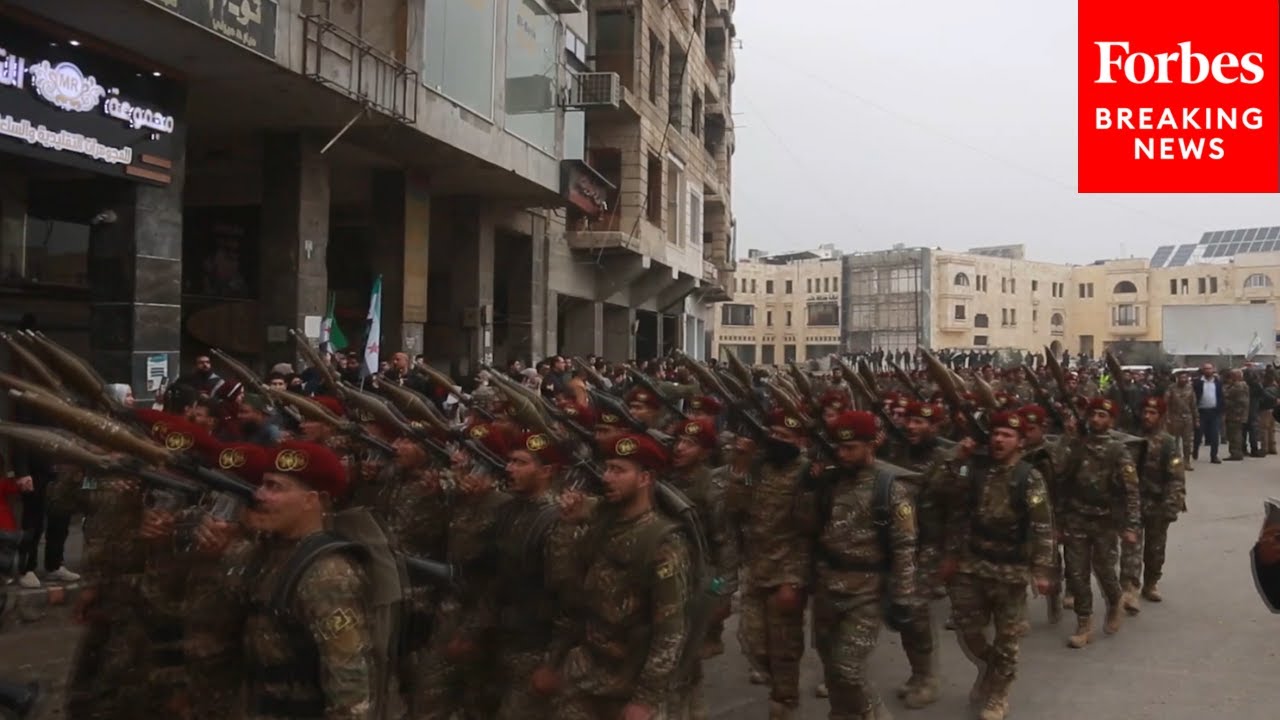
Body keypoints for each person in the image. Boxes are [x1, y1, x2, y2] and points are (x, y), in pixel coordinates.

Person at [553, 434, 693, 720]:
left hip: (629, 682)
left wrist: (646, 700)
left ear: (645, 478)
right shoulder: (603, 523)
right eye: (607, 468)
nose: (607, 477)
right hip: (585, 672)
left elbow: (670, 630)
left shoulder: (663, 541)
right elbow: (568, 590)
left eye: (619, 470)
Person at [942, 412, 1054, 720]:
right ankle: (992, 667)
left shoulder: (1028, 477)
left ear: (1019, 442)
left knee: (1007, 638)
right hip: (973, 563)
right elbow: (955, 510)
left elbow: (1042, 526)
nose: (998, 440)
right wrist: (951, 555)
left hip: (1010, 569)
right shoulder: (976, 471)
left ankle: (998, 695)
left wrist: (1041, 571)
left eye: (1006, 435)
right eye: (995, 434)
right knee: (969, 629)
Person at [1192, 364, 1224, 464]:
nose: (1208, 371)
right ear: (1203, 370)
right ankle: (1195, 450)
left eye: (1209, 369)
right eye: (1206, 369)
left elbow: (1221, 396)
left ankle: (1214, 456)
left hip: (1214, 412)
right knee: (1198, 434)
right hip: (1201, 412)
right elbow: (1193, 397)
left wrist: (1221, 409)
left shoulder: (1218, 382)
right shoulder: (1198, 383)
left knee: (1215, 435)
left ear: (1213, 370)